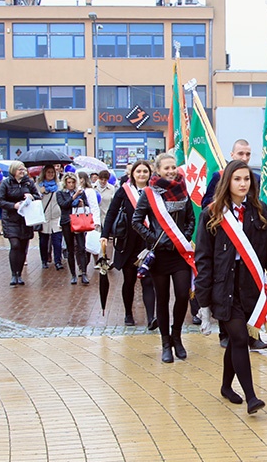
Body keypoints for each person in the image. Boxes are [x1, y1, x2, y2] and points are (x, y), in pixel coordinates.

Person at [195, 160, 267, 415]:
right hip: (225, 286)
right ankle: (252, 397)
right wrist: (203, 301)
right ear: (227, 183)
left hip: (251, 286)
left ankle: (225, 385)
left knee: (237, 340)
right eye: (238, 179)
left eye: (247, 179)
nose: (243, 184)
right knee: (240, 338)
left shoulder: (260, 210)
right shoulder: (212, 214)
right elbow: (204, 258)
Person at [201, 139, 267, 349]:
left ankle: (252, 335)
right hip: (226, 251)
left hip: (249, 259)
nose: (245, 158)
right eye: (241, 153)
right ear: (232, 154)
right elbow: (207, 203)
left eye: (248, 154)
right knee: (231, 315)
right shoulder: (218, 177)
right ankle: (227, 332)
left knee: (247, 303)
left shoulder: (255, 183)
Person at [132, 153, 195, 363]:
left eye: (173, 167)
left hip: (180, 254)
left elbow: (191, 219)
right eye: (166, 168)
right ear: (157, 170)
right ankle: (165, 343)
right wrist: (152, 240)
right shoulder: (149, 193)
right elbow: (137, 220)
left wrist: (184, 238)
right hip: (159, 255)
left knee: (182, 295)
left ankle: (177, 336)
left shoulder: (183, 190)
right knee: (163, 299)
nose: (171, 171)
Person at [101, 159, 158, 328]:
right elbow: (111, 213)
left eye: (145, 171)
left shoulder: (154, 191)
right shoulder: (123, 191)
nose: (142, 174)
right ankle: (128, 313)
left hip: (148, 243)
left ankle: (150, 318)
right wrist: (104, 235)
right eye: (138, 171)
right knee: (129, 280)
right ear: (132, 174)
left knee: (148, 280)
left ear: (150, 174)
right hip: (128, 243)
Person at [0, 161, 41, 286]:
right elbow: (0, 200)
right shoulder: (6, 183)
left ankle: (19, 274)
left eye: (24, 169)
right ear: (13, 170)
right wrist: (13, 205)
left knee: (22, 247)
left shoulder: (29, 183)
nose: (22, 172)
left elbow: (38, 196)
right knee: (15, 244)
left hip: (25, 219)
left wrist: (32, 196)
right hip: (11, 219)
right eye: (20, 169)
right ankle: (13, 274)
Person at [56, 172, 92, 285]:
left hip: (79, 221)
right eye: (68, 183)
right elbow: (64, 205)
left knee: (81, 247)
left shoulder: (81, 192)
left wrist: (81, 202)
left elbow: (86, 205)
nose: (71, 185)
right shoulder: (60, 193)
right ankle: (73, 274)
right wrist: (74, 197)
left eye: (73, 182)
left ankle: (84, 272)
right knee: (70, 248)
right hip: (67, 222)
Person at [36, 165, 63, 269]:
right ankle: (44, 260)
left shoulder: (59, 186)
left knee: (57, 240)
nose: (51, 174)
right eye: (48, 172)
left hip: (56, 217)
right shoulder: (39, 185)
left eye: (52, 172)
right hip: (44, 217)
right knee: (43, 241)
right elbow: (35, 199)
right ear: (44, 173)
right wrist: (40, 193)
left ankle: (58, 261)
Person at [77, 173, 102, 277]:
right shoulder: (75, 190)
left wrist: (96, 222)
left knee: (87, 244)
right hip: (77, 220)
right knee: (78, 245)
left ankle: (84, 267)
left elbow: (94, 206)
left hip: (88, 220)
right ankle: (81, 266)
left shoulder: (89, 191)